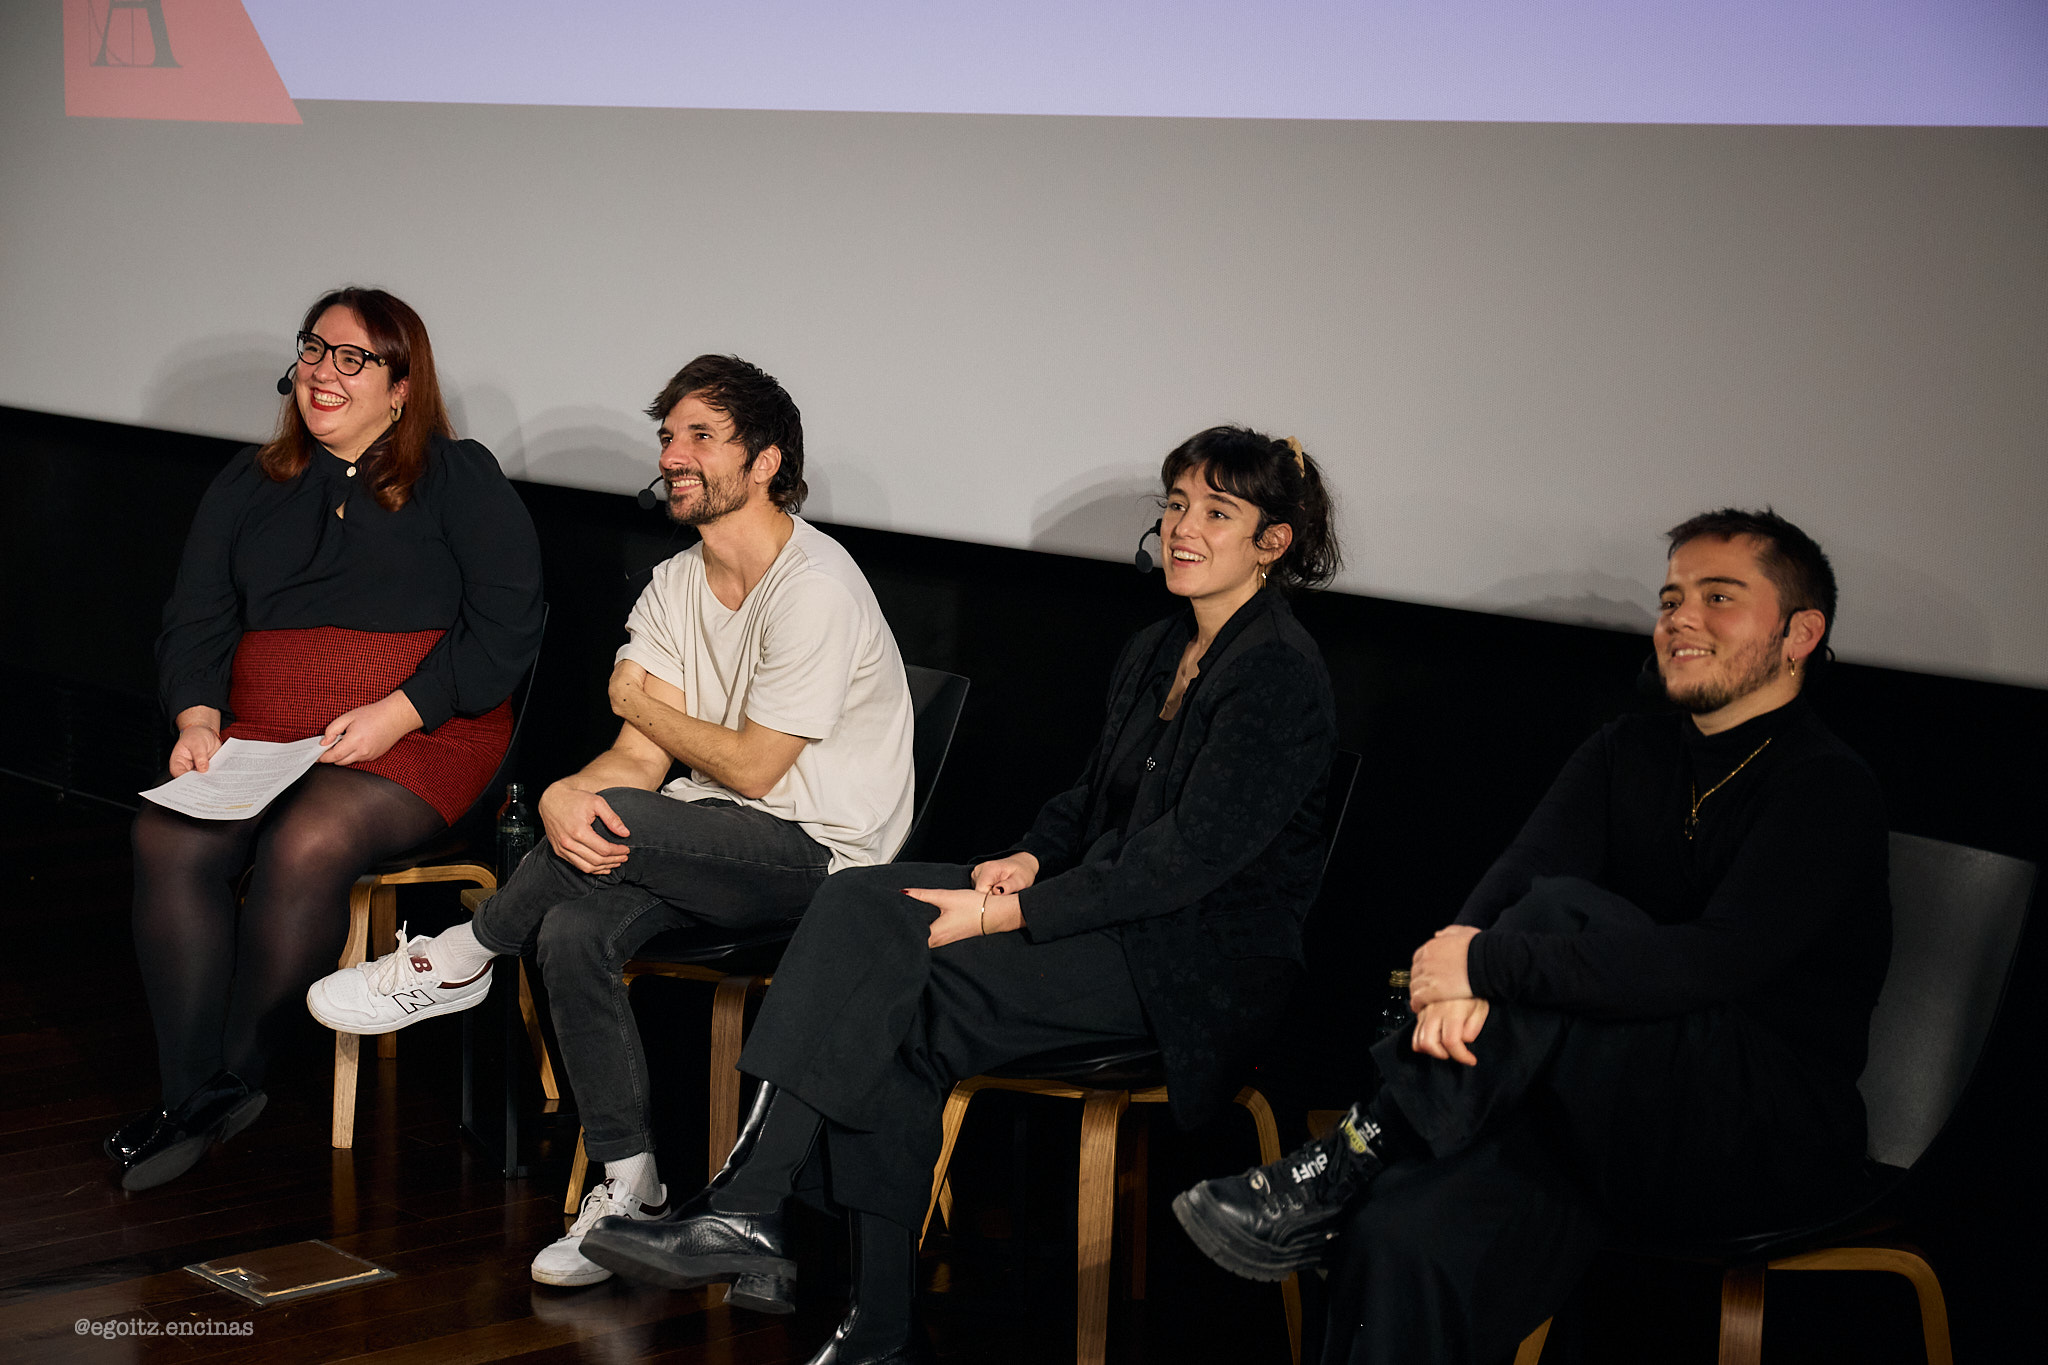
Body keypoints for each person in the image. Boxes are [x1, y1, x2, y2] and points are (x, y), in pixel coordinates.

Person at [577, 426, 1343, 1365]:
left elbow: (1182, 864)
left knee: (904, 996)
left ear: (1274, 542)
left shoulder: (1277, 674)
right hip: (1096, 909)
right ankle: (828, 1277)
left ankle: (764, 1223)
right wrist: (1026, 857)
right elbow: (1086, 798)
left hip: (1188, 966)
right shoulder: (1159, 645)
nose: (1184, 528)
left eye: (1216, 513)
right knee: (862, 904)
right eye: (1177, 504)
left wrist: (1008, 909)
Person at [1173, 509, 1889, 1364]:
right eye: (1670, 599)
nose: (1681, 618)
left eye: (1720, 597)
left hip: (1762, 1131)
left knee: (1561, 914)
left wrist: (1480, 960)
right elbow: (1513, 876)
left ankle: (1358, 1144)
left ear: (1800, 631)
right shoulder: (1629, 747)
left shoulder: (1826, 787)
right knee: (1400, 1236)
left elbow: (1708, 962)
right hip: (1601, 1104)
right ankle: (1361, 1170)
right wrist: (1456, 975)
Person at [306, 354, 916, 1289]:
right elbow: (635, 763)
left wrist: (638, 708)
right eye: (667, 434)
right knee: (574, 923)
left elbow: (755, 765)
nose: (673, 453)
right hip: (701, 834)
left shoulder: (816, 586)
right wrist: (560, 794)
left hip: (821, 856)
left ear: (764, 462)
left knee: (618, 824)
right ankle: (630, 1181)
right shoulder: (675, 583)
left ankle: (464, 952)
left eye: (700, 436)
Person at [110, 287, 545, 1191]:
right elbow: (196, 618)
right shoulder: (248, 481)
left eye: (353, 357)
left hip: (422, 731)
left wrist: (401, 709)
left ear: (401, 384)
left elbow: (505, 629)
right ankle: (196, 1094)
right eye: (315, 349)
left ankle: (240, 1073)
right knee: (168, 833)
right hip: (266, 732)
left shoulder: (459, 477)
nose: (323, 371)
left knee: (306, 838)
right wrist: (196, 718)